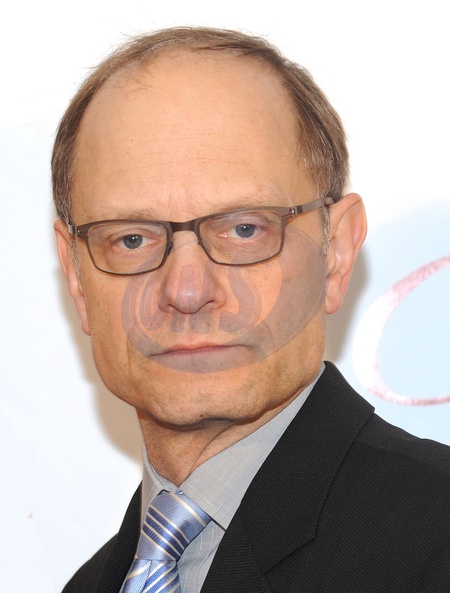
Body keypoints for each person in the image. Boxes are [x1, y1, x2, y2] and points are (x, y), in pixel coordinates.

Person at [52, 27, 450, 593]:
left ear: (336, 254)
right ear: (75, 275)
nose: (187, 291)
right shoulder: (92, 583)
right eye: (132, 239)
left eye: (244, 229)